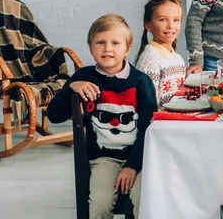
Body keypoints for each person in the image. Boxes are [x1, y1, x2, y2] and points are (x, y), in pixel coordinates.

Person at [48, 14, 157, 219]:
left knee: (144, 200)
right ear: (91, 47)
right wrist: (71, 87)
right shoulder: (84, 77)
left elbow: (148, 129)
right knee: (100, 205)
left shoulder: (141, 82)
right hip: (103, 158)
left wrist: (132, 166)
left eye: (115, 43)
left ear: (127, 47)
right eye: (100, 42)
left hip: (139, 156)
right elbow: (54, 115)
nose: (107, 48)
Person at [134, 0, 188, 107]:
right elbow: (149, 104)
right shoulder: (150, 59)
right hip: (161, 122)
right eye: (162, 19)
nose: (171, 26)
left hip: (177, 116)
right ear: (148, 25)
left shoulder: (177, 58)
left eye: (176, 20)